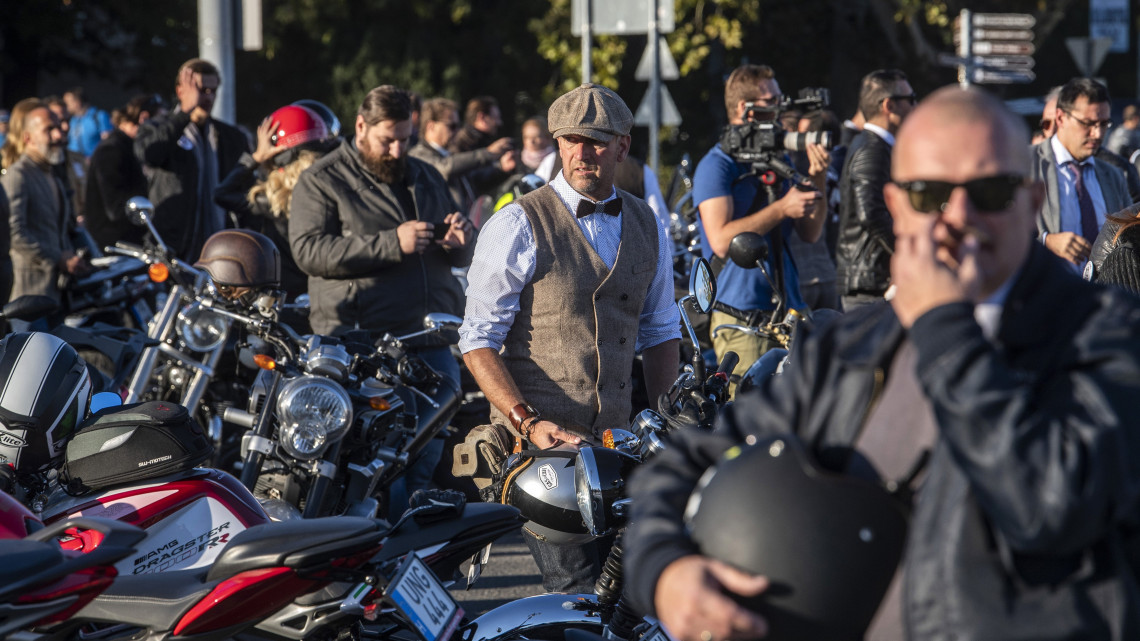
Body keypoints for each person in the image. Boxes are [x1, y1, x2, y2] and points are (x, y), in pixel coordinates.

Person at [625, 85, 1140, 641]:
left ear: (1033, 199)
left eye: (990, 191)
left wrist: (944, 327)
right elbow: (688, 464)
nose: (959, 216)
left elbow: (1051, 505)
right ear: (895, 205)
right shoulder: (849, 347)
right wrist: (666, 573)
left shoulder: (1108, 334)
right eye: (929, 194)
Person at [459, 83, 680, 593]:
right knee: (578, 593)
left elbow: (661, 330)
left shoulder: (648, 223)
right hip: (540, 453)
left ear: (623, 146)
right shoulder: (517, 222)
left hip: (619, 447)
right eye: (571, 140)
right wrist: (528, 422)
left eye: (598, 141)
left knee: (629, 593)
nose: (583, 153)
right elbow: (477, 339)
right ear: (557, 144)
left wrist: (666, 422)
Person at [289, 84, 475, 516]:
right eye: (386, 139)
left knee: (427, 451)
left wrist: (463, 241)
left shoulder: (425, 174)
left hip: (430, 335)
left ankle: (409, 542)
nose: (396, 149)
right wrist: (392, 243)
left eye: (405, 139)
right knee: (376, 459)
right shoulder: (321, 180)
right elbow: (309, 252)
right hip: (365, 341)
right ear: (360, 126)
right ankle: (376, 544)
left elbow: (455, 246)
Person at [692, 64, 829, 387]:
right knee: (751, 419)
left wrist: (817, 173)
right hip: (743, 320)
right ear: (745, 109)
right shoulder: (717, 164)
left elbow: (811, 232)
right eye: (772, 101)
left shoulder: (775, 157)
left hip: (790, 313)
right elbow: (722, 239)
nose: (781, 108)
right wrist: (783, 207)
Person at [213, 104, 333, 302]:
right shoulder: (335, 189)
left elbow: (222, 193)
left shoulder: (274, 199)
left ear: (280, 157)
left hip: (284, 299)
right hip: (326, 296)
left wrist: (257, 157)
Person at [135, 58, 250, 261]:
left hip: (219, 247)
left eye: (212, 91)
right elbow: (150, 154)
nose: (207, 97)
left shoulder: (230, 136)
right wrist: (185, 113)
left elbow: (244, 185)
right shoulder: (158, 127)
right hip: (174, 247)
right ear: (181, 92)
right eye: (201, 89)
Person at [836, 69, 916, 310]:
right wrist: (907, 253)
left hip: (873, 280)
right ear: (889, 105)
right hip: (869, 284)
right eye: (910, 99)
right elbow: (871, 213)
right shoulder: (872, 149)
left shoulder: (877, 146)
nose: (916, 105)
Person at [1033, 78, 1132, 269]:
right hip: (1047, 293)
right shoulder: (1025, 164)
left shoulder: (1113, 175)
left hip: (1103, 293)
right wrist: (1046, 241)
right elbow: (998, 233)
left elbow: (1131, 236)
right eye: (1088, 123)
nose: (1097, 133)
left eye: (1104, 124)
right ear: (1061, 118)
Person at [0, 103, 88, 301]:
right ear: (28, 138)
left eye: (58, 127)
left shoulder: (51, 174)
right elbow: (15, 234)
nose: (58, 135)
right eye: (49, 129)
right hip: (29, 294)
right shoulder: (18, 176)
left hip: (56, 293)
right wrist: (59, 258)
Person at [409, 97, 514, 218]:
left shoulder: (449, 154)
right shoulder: (418, 155)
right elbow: (445, 168)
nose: (458, 131)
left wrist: (502, 169)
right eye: (452, 126)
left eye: (459, 125)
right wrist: (488, 153)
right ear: (431, 126)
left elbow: (475, 182)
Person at [85, 94, 163, 251]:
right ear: (144, 118)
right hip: (115, 246)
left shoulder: (127, 147)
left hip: (127, 241)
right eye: (160, 124)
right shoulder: (112, 150)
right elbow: (116, 208)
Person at [63, 87, 112, 157]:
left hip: (95, 162)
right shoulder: (72, 120)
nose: (66, 107)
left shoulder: (99, 116)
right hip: (75, 163)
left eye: (68, 103)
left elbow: (108, 142)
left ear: (77, 102)